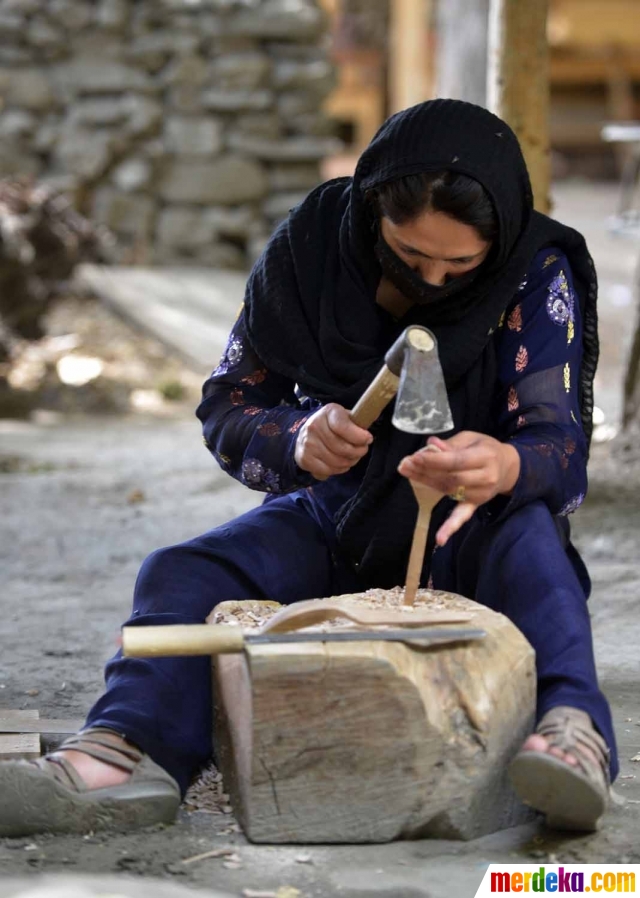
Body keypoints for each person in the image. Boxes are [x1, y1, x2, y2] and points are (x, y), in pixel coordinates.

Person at [0, 99, 616, 837]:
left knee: (540, 559)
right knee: (185, 572)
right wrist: (295, 438)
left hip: (468, 526)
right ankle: (126, 752)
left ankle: (572, 737)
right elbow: (227, 409)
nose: (433, 282)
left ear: (500, 237)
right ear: (370, 211)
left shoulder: (533, 269)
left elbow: (560, 444)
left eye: (459, 265)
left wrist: (507, 463)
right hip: (339, 517)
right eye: (409, 255)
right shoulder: (313, 249)